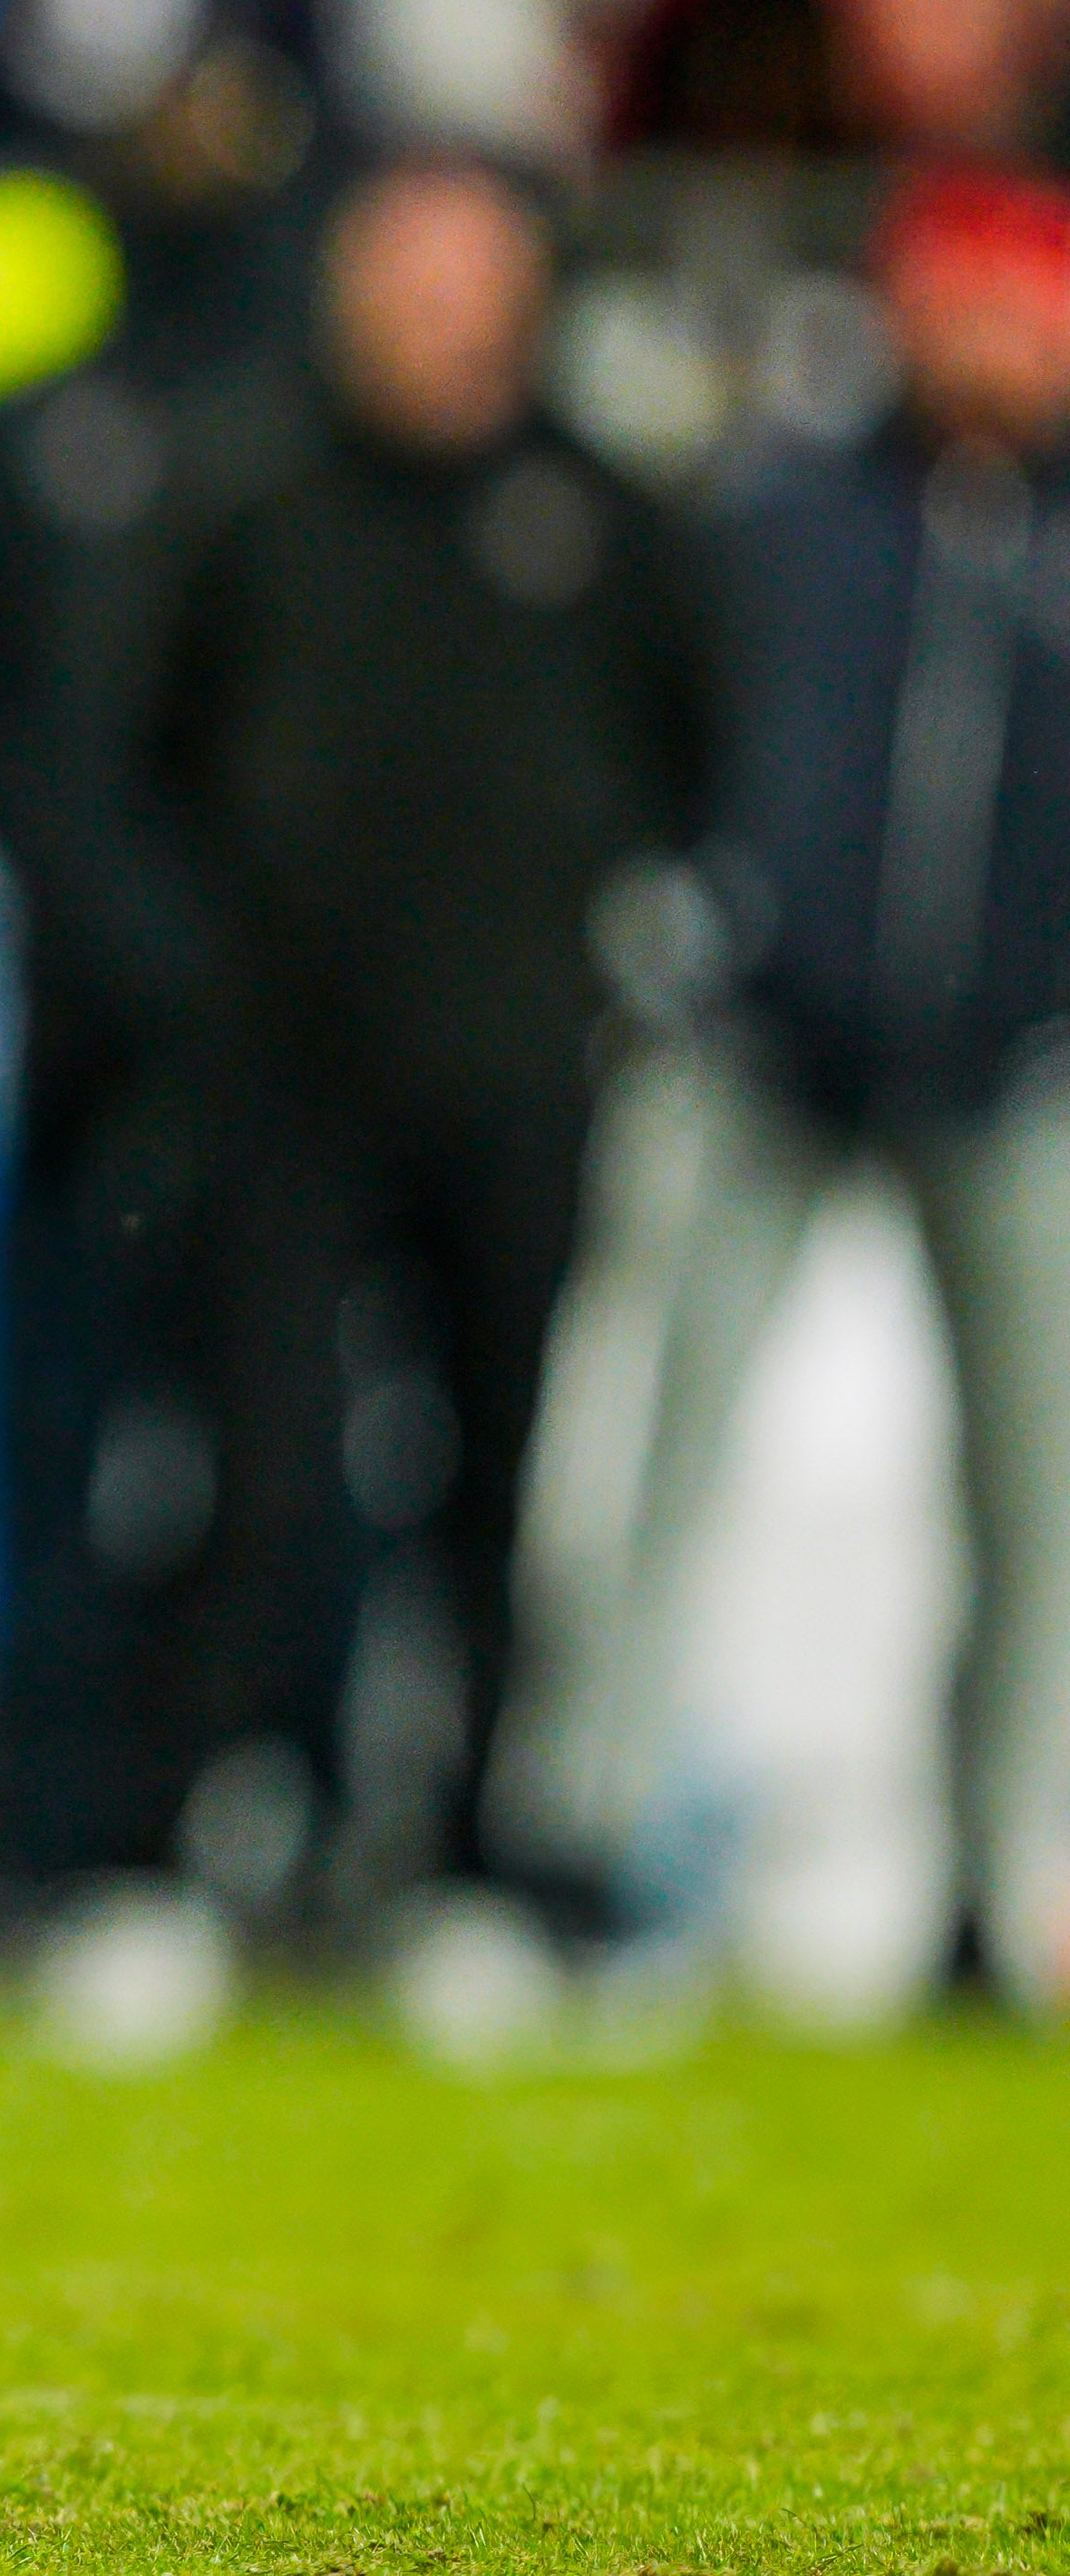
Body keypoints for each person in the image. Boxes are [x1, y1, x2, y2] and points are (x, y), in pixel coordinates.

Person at [122, 154, 713, 1943]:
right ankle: (216, 1841)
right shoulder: (245, 488)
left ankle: (465, 1856)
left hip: (514, 1069)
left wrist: (578, 962)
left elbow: (688, 749)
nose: (443, 323)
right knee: (255, 1462)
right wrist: (200, 970)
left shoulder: (598, 513)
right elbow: (141, 741)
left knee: (492, 1471)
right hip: (283, 1067)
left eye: (473, 285)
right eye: (410, 282)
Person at [535, 160, 1070, 2001]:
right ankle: (581, 1842)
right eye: (958, 294)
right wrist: (699, 928)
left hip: (1007, 1063)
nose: (988, 336)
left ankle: (1001, 1881)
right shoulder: (774, 506)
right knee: (656, 1446)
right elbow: (644, 731)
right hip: (763, 1042)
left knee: (1034, 1494)